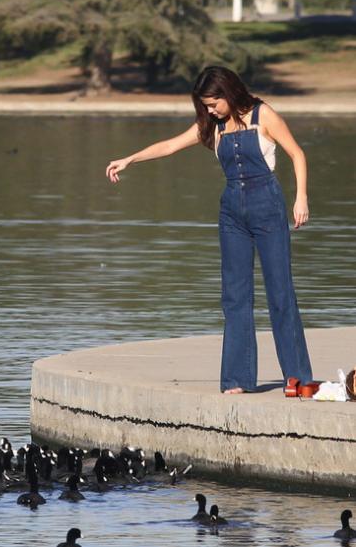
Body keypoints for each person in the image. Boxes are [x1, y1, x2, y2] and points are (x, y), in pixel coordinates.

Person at [105, 65, 313, 394]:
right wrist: (129, 159)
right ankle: (237, 380)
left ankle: (299, 378)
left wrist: (300, 198)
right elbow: (170, 146)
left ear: (228, 93)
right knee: (234, 297)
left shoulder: (263, 115)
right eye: (204, 105)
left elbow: (296, 153)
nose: (209, 109)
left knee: (280, 294)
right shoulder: (211, 126)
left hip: (267, 207)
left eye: (213, 103)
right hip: (231, 212)